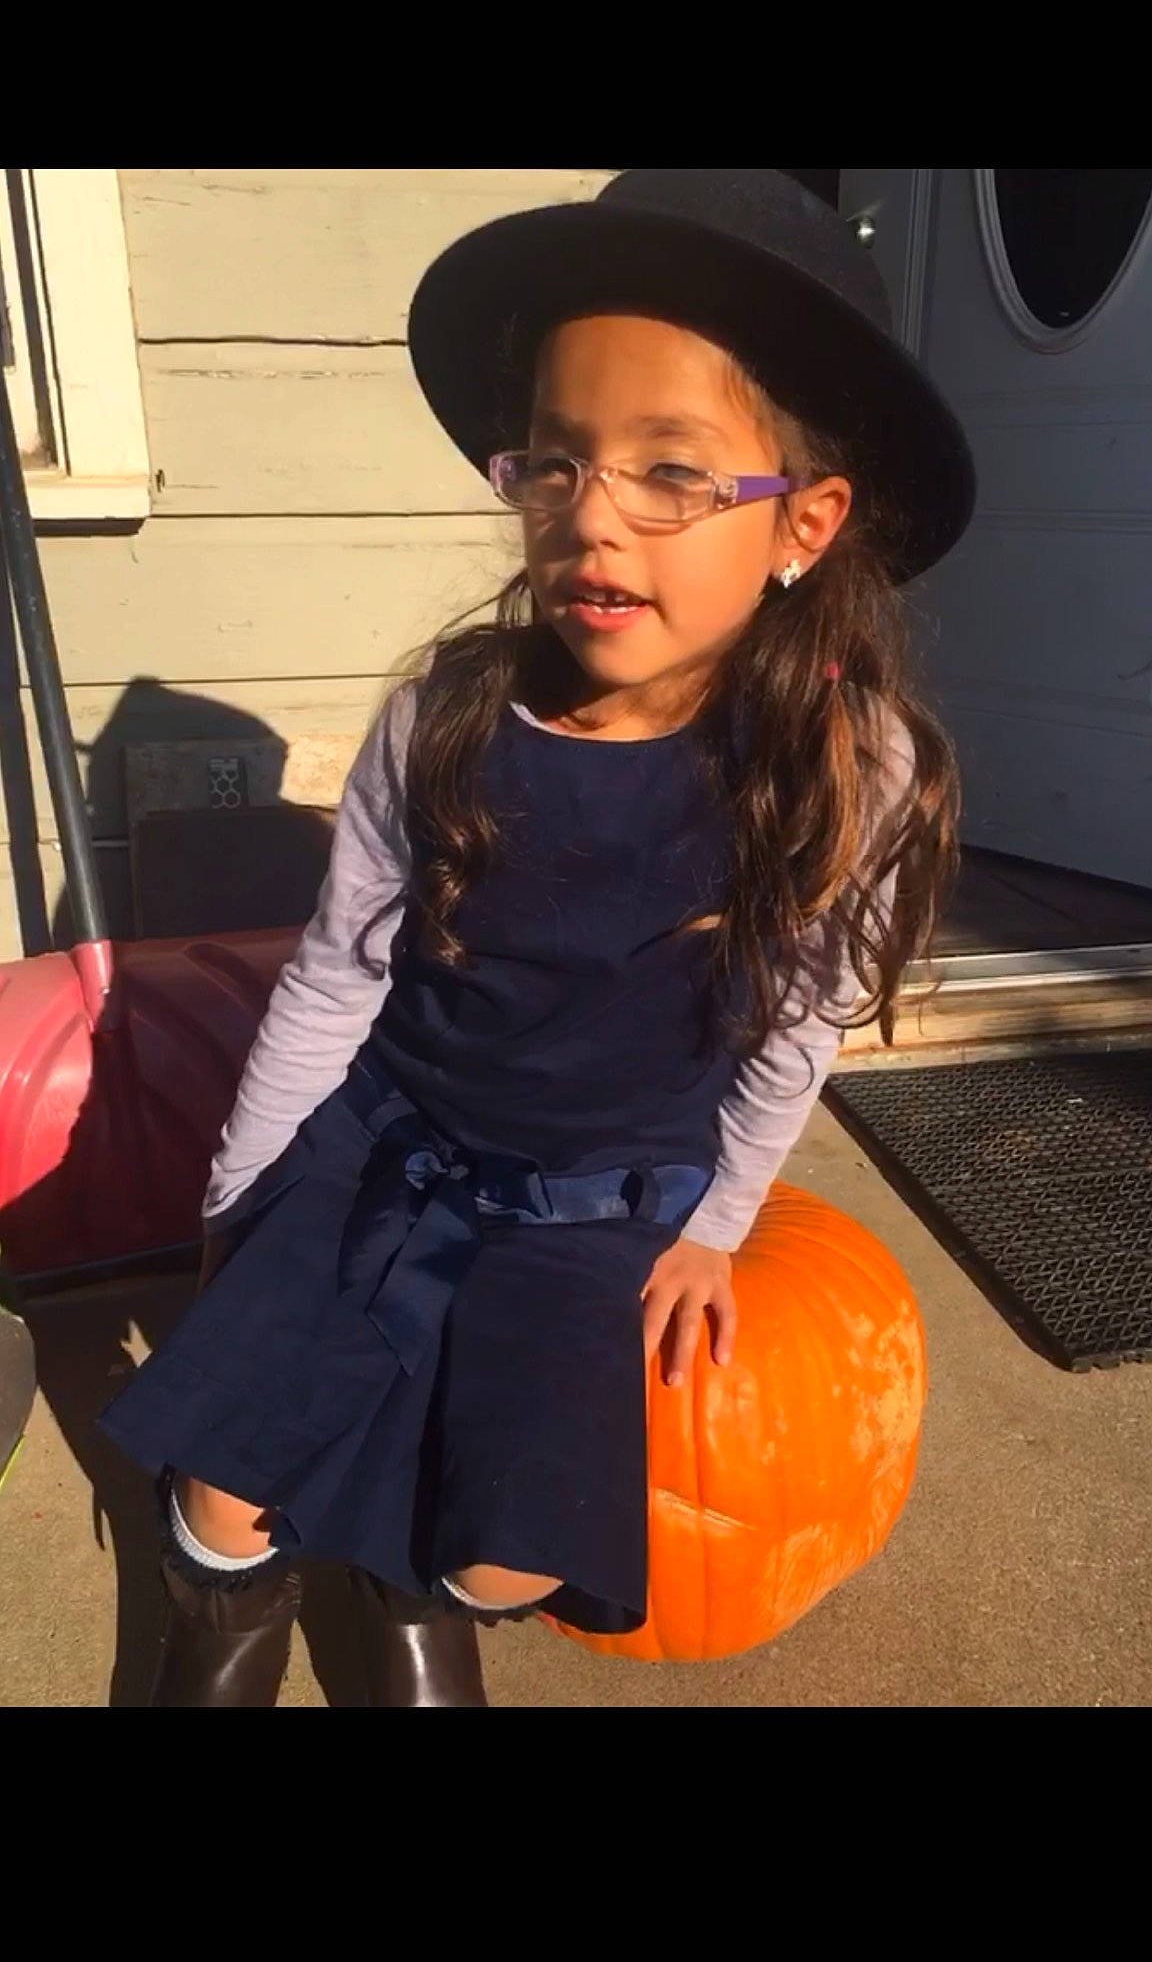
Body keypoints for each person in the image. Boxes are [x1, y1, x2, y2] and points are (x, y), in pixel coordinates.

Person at [100, 168, 974, 1709]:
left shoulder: (852, 769)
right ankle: (209, 1642)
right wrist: (244, 1191)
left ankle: (398, 1596)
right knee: (226, 1476)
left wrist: (713, 1231)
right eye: (556, 464)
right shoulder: (446, 721)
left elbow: (794, 1034)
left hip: (595, 1211)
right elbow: (339, 974)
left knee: (501, 1547)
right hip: (390, 1150)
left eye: (671, 473)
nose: (592, 515)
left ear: (804, 524)